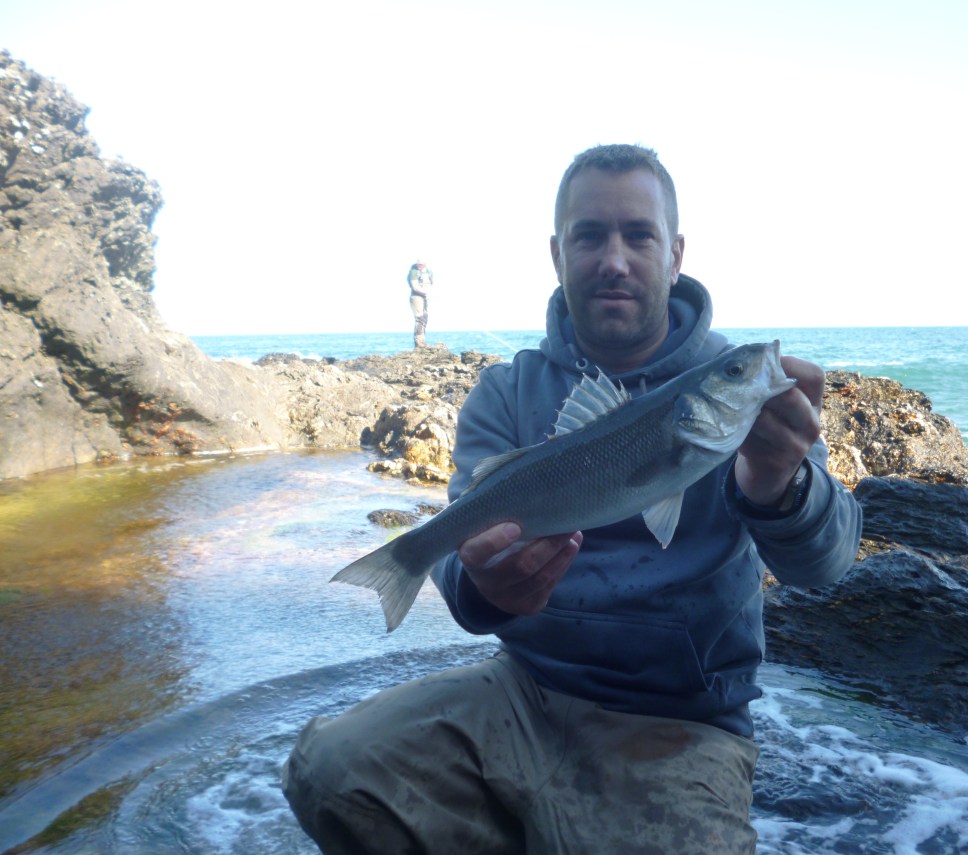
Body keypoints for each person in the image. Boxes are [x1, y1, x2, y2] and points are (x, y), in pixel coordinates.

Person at [283, 144, 863, 854]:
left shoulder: (746, 400)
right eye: (590, 236)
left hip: (684, 723)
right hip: (523, 691)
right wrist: (483, 583)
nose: (613, 258)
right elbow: (466, 590)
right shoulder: (505, 394)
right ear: (557, 254)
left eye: (638, 235)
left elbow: (828, 561)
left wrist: (778, 485)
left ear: (676, 254)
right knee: (331, 768)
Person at [407, 258, 433, 347]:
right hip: (416, 296)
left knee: (425, 318)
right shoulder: (414, 272)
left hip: (425, 297)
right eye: (419, 264)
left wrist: (428, 294)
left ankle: (422, 340)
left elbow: (431, 284)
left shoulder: (428, 272)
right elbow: (414, 287)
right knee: (420, 318)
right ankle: (418, 342)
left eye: (422, 264)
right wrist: (425, 292)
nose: (420, 266)